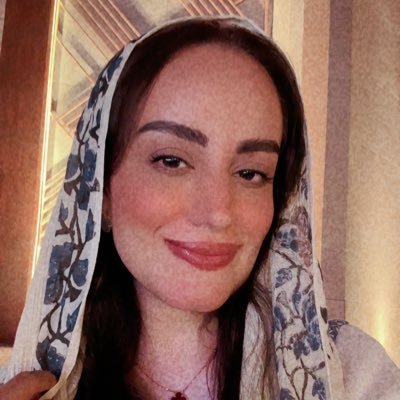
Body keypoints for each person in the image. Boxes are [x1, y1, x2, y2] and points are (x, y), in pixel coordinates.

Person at [0, 16, 399, 400]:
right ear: (99, 193)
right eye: (171, 161)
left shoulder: (351, 375)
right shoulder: (28, 386)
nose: (218, 212)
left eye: (250, 173)